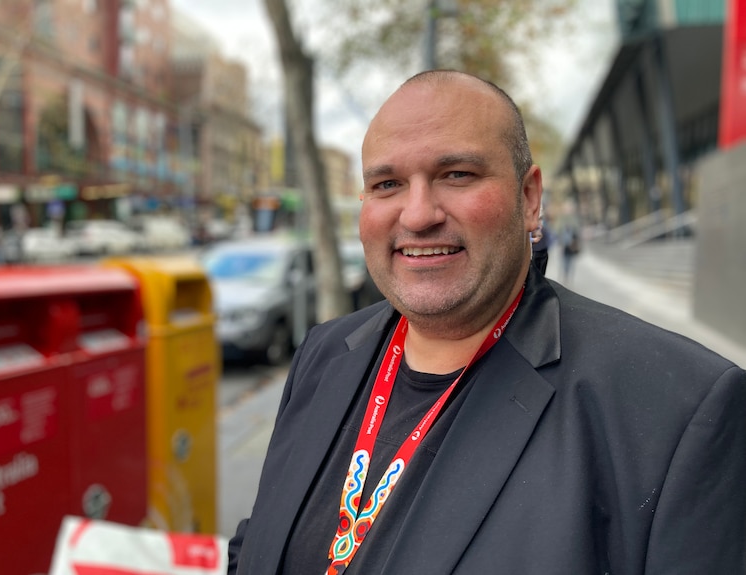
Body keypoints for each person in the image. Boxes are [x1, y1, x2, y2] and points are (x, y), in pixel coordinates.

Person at [227, 70, 746, 574]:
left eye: (457, 175)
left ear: (529, 199)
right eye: (387, 184)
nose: (417, 214)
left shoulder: (677, 412)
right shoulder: (323, 353)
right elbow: (256, 546)